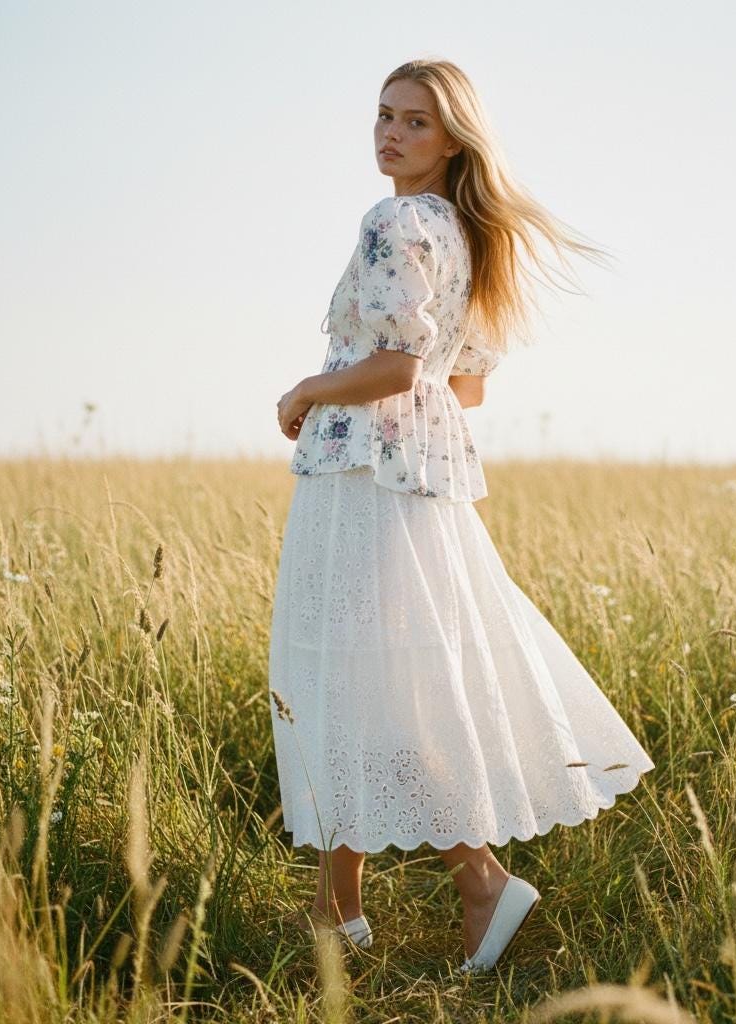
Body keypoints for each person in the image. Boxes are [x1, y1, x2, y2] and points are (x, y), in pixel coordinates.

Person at [270, 58, 655, 974]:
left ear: (451, 142)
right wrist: (387, 385)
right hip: (421, 479)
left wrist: (307, 390)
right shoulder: (460, 232)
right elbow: (464, 382)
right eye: (383, 115)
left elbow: (401, 367)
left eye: (414, 122)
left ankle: (478, 881)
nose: (390, 133)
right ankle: (340, 906)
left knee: (350, 685)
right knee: (370, 686)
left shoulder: (396, 222)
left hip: (367, 480)